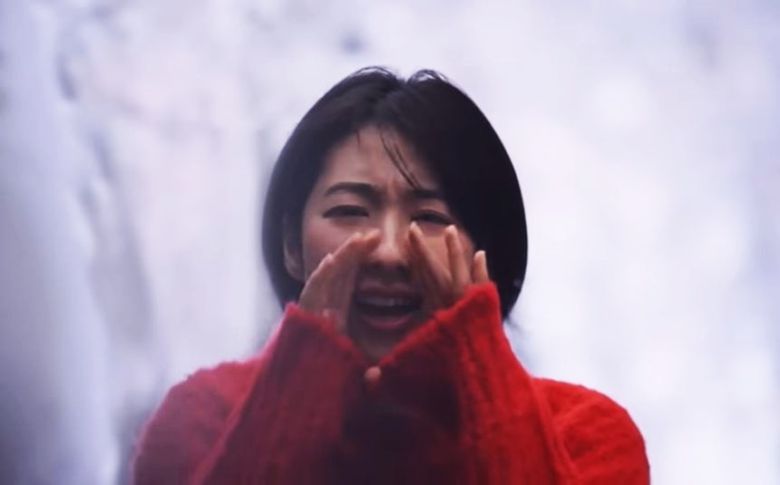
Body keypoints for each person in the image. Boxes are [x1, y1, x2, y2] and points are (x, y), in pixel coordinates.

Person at [132, 67, 650, 484]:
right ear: (291, 245)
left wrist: (475, 355)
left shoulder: (586, 436)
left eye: (430, 217)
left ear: (486, 253)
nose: (388, 251)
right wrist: (300, 377)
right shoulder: (203, 420)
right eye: (349, 211)